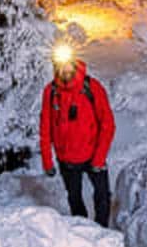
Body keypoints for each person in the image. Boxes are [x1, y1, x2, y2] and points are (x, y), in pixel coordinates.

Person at [40, 45, 116, 227]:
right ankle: (82, 232)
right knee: (74, 198)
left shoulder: (92, 87)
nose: (65, 70)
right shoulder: (51, 92)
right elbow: (45, 127)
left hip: (92, 156)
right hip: (66, 159)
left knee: (102, 195)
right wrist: (47, 161)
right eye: (61, 66)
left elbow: (108, 125)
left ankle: (102, 231)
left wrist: (99, 159)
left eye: (68, 65)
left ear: (75, 65)